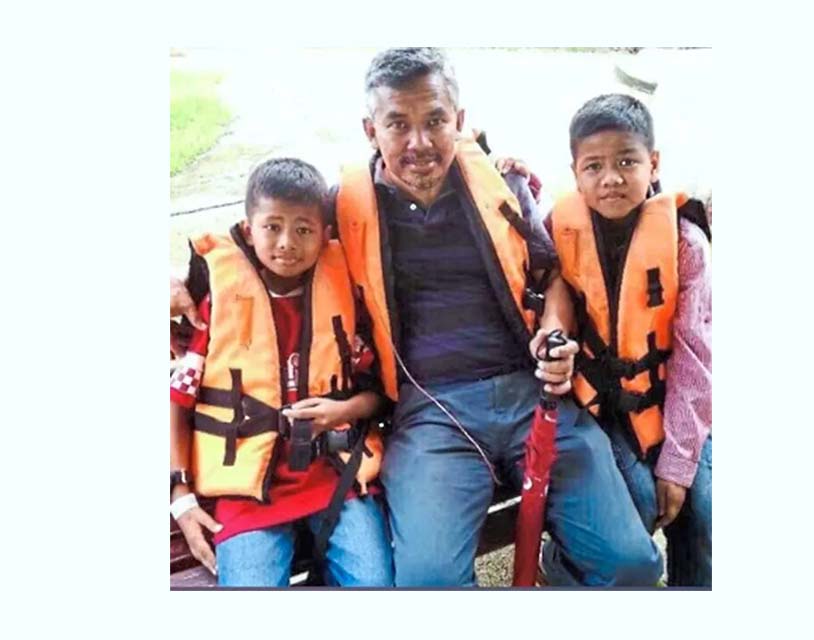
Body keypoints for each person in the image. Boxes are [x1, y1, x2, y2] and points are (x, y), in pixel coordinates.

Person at [172, 49, 663, 587]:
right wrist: (177, 280)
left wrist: (553, 330)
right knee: (429, 583)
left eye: (434, 121)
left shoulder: (503, 186)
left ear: (459, 121)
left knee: (633, 566)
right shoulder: (343, 207)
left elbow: (551, 279)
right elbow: (266, 235)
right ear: (370, 130)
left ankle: (560, 568)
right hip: (431, 416)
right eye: (398, 125)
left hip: (532, 395)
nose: (419, 143)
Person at [169, 157, 393, 587]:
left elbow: (378, 391)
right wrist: (180, 496)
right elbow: (177, 400)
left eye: (304, 230)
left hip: (336, 477)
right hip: (245, 491)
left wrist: (342, 410)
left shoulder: (345, 287)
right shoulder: (217, 302)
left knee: (375, 583)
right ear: (249, 228)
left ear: (325, 234)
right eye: (272, 227)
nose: (287, 243)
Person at [540, 93, 712, 586]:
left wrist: (677, 463)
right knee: (638, 497)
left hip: (674, 403)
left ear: (653, 163)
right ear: (575, 174)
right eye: (593, 166)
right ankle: (561, 566)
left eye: (626, 162)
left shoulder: (685, 243)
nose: (611, 178)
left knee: (705, 506)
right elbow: (517, 238)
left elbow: (696, 360)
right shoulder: (560, 229)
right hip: (600, 412)